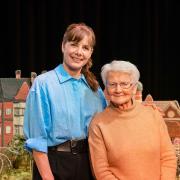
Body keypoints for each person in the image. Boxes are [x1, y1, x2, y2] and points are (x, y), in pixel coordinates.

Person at [23, 23, 107, 180]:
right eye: (74, 45)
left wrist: (145, 109)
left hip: (88, 165)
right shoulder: (43, 84)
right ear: (63, 46)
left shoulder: (95, 89)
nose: (79, 52)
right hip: (54, 165)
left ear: (90, 53)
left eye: (85, 47)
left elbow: (111, 123)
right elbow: (37, 140)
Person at [88, 60, 177, 180]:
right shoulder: (98, 124)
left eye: (124, 84)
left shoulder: (153, 115)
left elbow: (168, 158)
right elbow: (102, 171)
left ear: (134, 88)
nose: (118, 89)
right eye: (112, 84)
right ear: (106, 89)